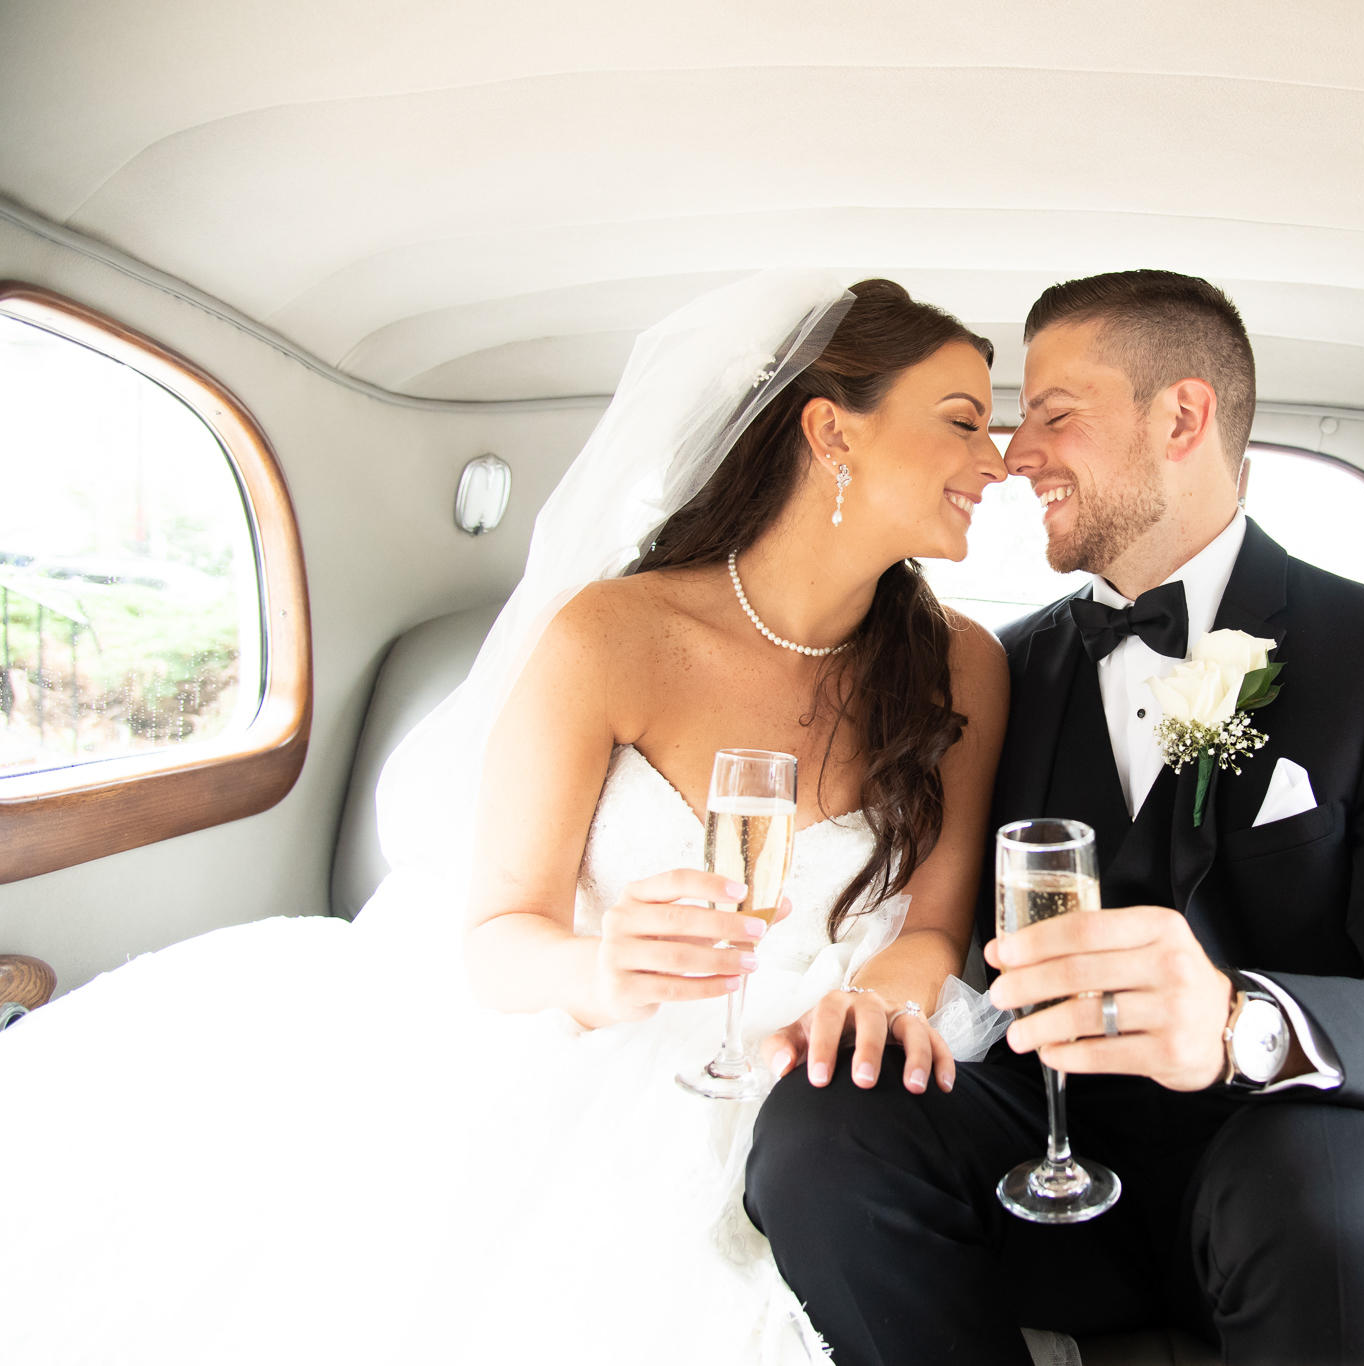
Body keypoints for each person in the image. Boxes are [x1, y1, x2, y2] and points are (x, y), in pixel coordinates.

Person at [0, 273, 1010, 1365]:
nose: (996, 461)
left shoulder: (965, 665)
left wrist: (861, 1009)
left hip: (826, 1085)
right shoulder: (612, 633)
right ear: (830, 432)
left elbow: (931, 928)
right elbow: (498, 936)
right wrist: (604, 968)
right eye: (962, 421)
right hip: (597, 1052)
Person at [748, 270, 1364, 1365]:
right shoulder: (1003, 671)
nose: (1013, 451)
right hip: (1065, 1171)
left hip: (1311, 1189)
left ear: (1180, 416)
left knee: (1320, 1180)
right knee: (819, 1126)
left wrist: (1235, 1020)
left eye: (1052, 412)